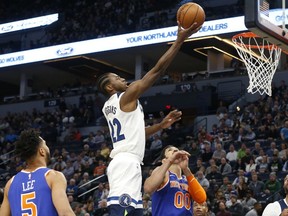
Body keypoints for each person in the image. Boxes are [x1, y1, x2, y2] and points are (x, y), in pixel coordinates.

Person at [96, 20, 201, 215]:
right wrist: (179, 41)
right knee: (122, 211)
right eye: (117, 78)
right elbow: (157, 71)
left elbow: (136, 132)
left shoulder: (109, 106)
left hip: (127, 162)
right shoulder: (124, 98)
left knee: (134, 211)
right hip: (126, 163)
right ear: (110, 87)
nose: (123, 79)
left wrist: (160, 125)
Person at [0, 128, 75, 216]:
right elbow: (65, 213)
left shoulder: (10, 184)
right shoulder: (53, 176)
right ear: (41, 151)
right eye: (45, 144)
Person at [144, 145, 206, 215]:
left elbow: (201, 199)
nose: (175, 151)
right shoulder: (163, 173)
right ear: (164, 160)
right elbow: (148, 188)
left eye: (177, 150)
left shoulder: (187, 178)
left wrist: (186, 169)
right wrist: (170, 161)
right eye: (170, 150)